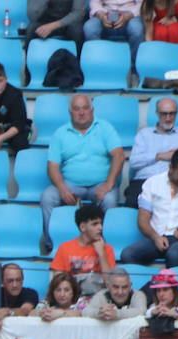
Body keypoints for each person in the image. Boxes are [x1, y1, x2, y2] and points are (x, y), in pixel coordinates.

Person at [41, 95, 127, 258]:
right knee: (47, 197)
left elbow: (119, 156)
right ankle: (51, 245)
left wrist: (109, 184)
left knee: (110, 200)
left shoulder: (105, 128)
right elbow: (52, 166)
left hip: (101, 184)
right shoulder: (60, 133)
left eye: (85, 108)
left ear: (92, 110)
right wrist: (62, 188)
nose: (81, 112)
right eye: (76, 109)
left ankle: (106, 249)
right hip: (70, 184)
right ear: (70, 112)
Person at [122, 149, 178, 268]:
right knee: (128, 254)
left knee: (174, 254)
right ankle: (144, 285)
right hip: (155, 235)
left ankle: (172, 287)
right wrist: (156, 237)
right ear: (170, 168)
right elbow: (142, 220)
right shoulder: (152, 183)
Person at [51, 203, 116, 293]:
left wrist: (101, 254)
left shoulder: (107, 249)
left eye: (101, 223)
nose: (100, 228)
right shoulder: (65, 248)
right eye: (95, 224)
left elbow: (110, 284)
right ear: (82, 227)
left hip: (97, 298)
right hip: (72, 296)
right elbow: (57, 282)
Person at [82, 268, 147, 319]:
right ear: (108, 286)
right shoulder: (102, 295)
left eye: (124, 287)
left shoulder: (137, 295)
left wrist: (117, 314)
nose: (120, 292)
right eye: (116, 287)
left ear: (130, 286)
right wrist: (99, 313)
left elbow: (142, 311)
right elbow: (86, 312)